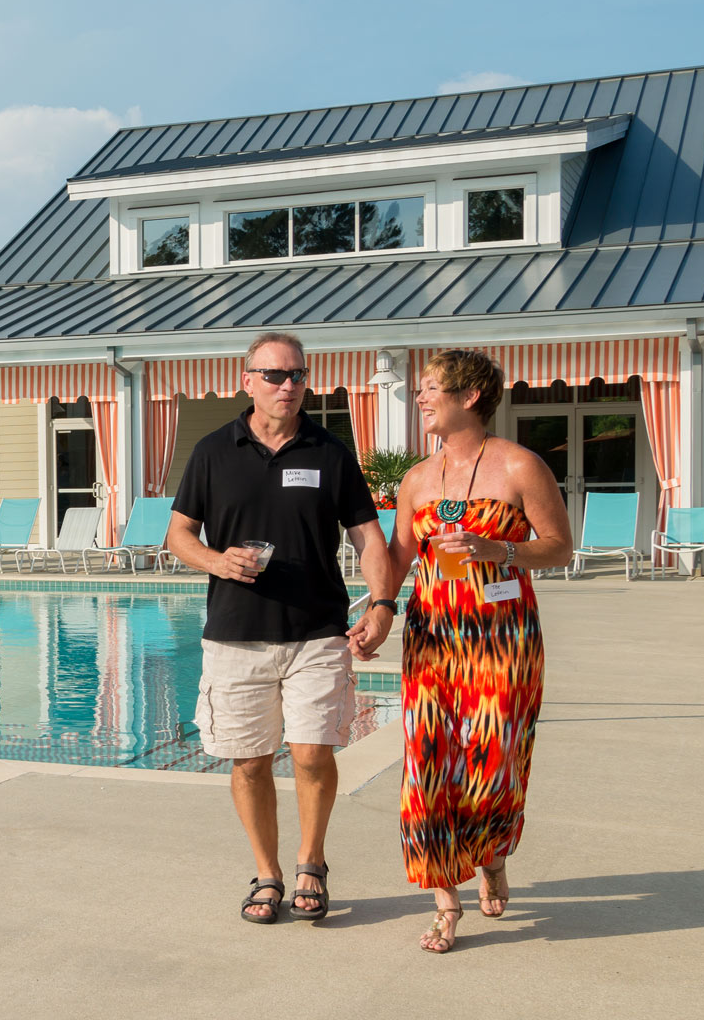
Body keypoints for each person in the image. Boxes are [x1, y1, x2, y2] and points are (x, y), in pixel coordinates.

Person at [165, 331, 399, 927]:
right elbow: (178, 536)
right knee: (247, 761)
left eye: (297, 375)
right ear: (247, 381)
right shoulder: (214, 451)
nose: (288, 386)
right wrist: (217, 561)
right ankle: (267, 873)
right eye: (274, 375)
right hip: (235, 633)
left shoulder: (330, 452)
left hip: (316, 630)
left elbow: (369, 537)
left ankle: (310, 864)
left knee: (313, 753)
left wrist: (381, 604)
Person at [373, 350, 570, 954]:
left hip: (501, 639)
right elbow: (400, 557)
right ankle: (444, 901)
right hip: (432, 637)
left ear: (471, 396)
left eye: (431, 388)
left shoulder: (519, 466)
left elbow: (560, 547)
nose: (421, 398)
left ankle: (493, 854)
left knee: (490, 767)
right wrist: (377, 608)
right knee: (429, 765)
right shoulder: (416, 480)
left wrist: (499, 550)